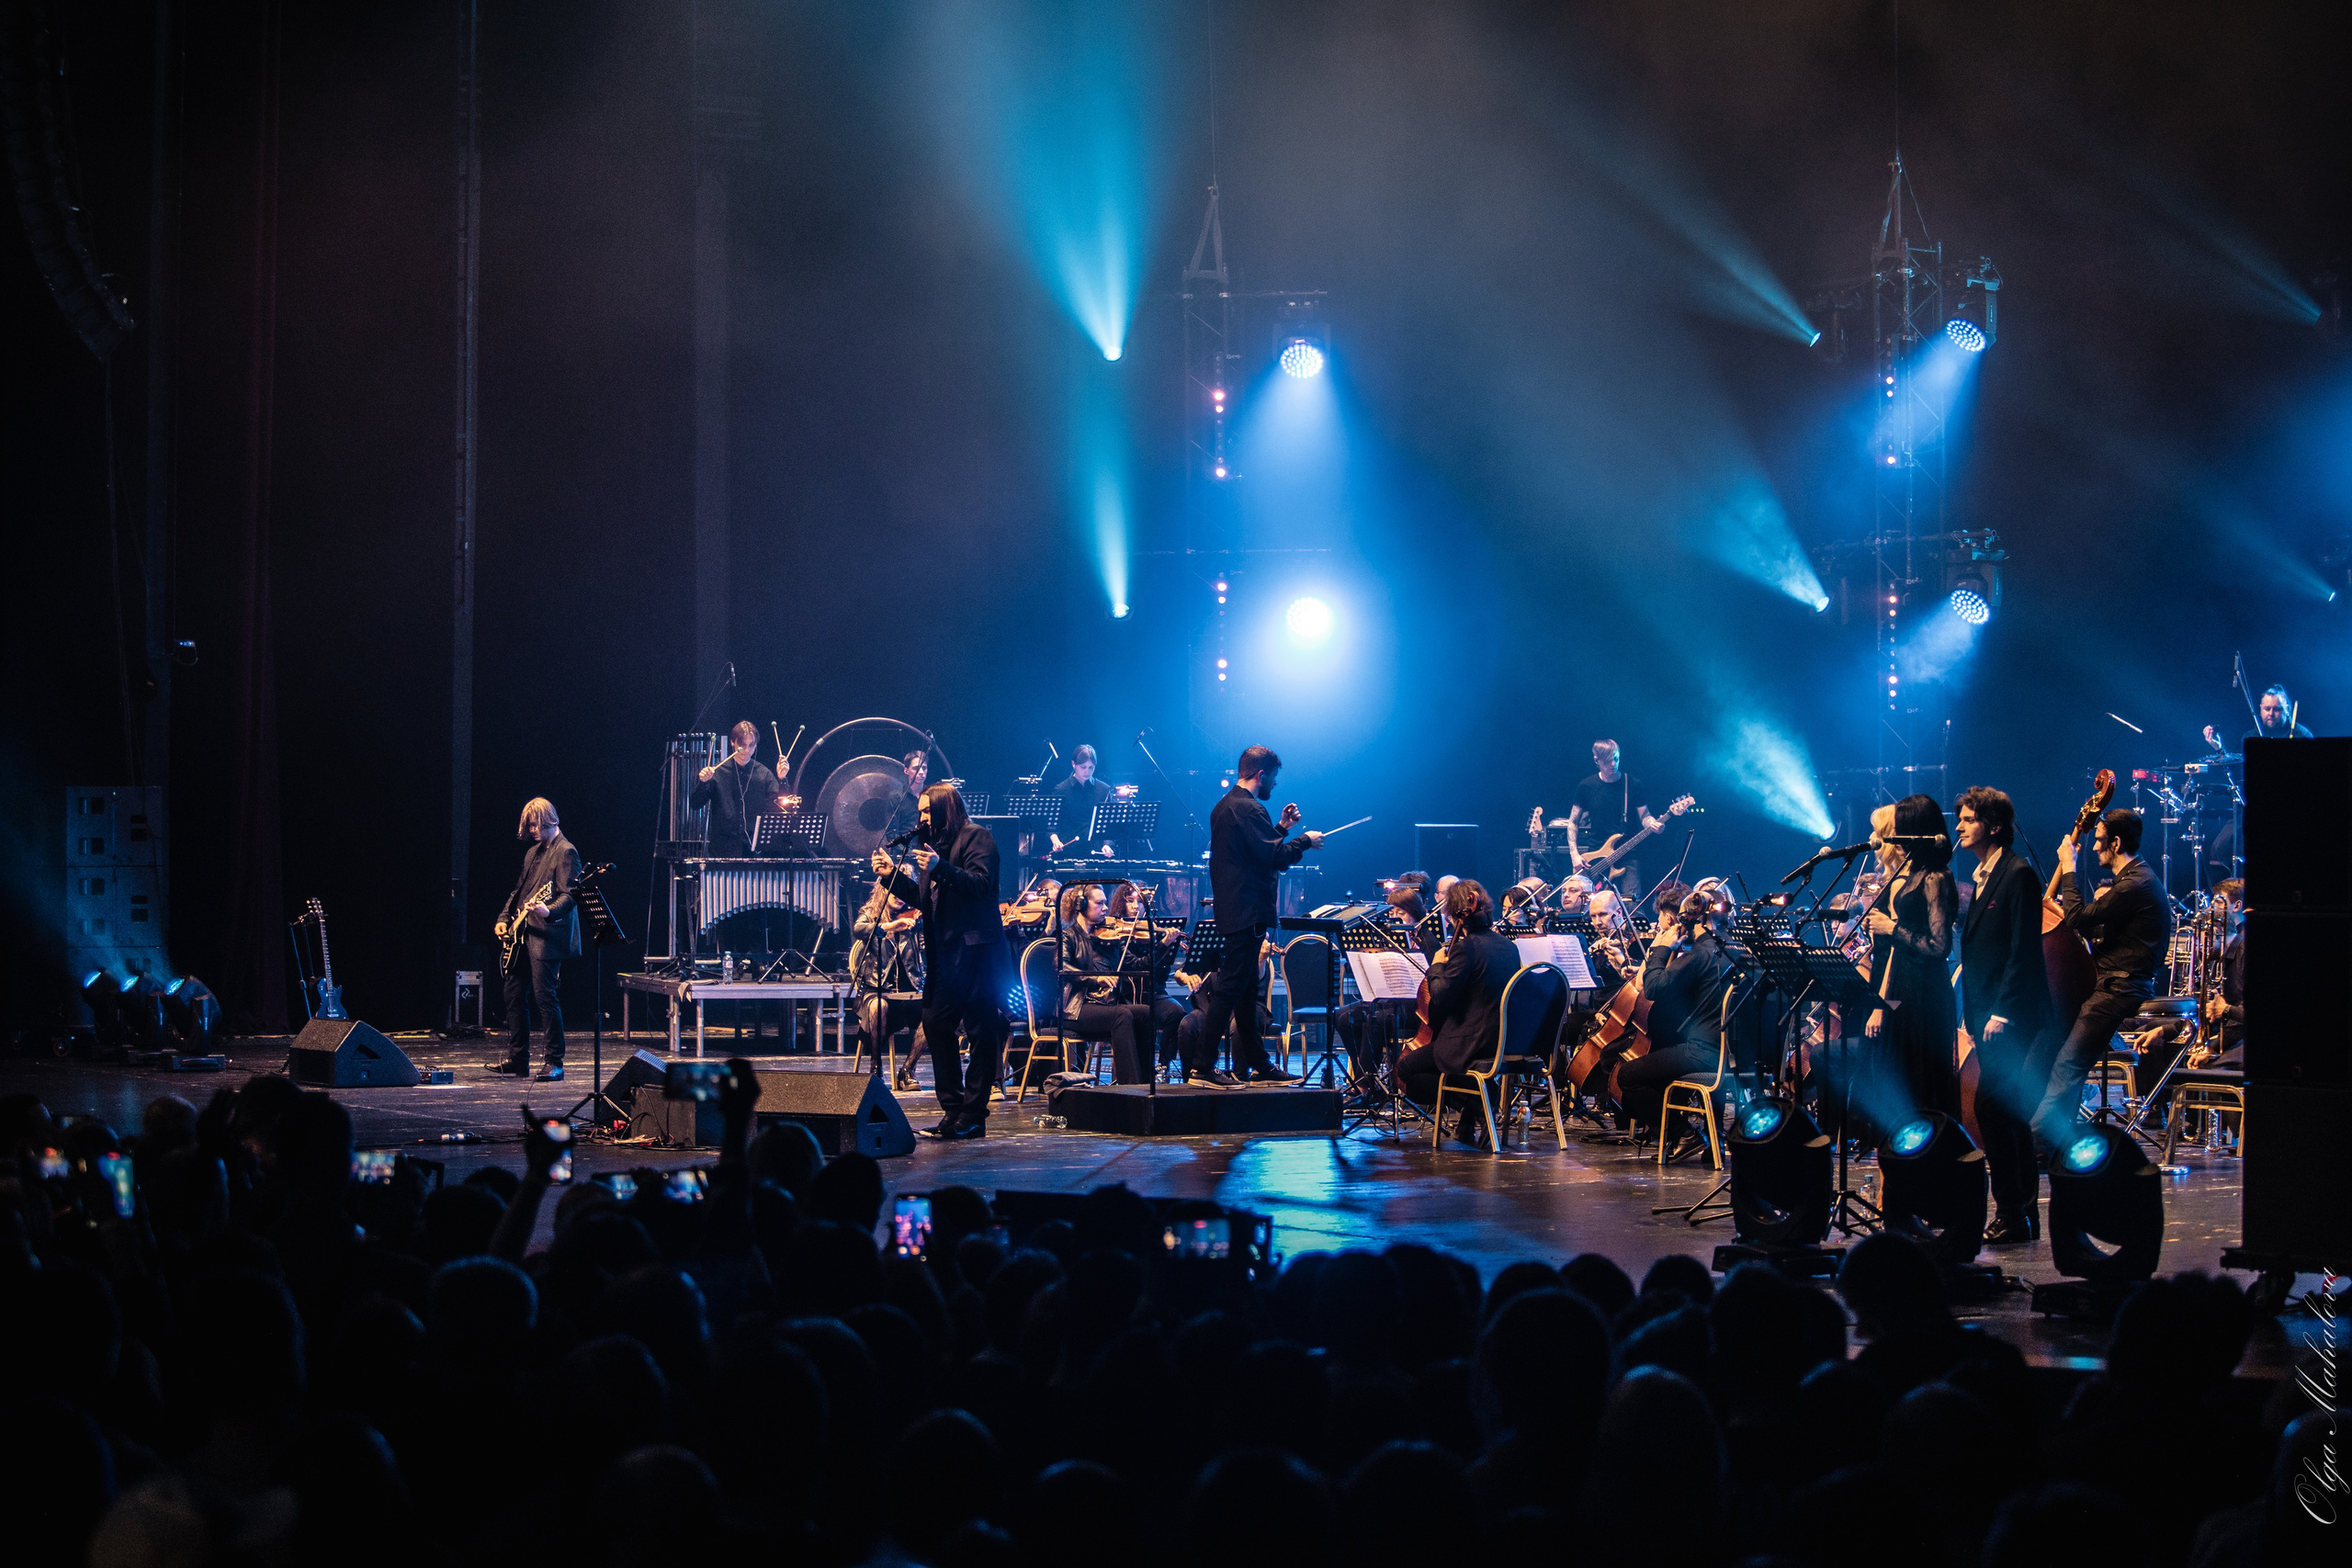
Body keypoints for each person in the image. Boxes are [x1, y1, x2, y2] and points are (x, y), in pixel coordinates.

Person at [869, 785, 1014, 1139]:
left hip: (977, 956)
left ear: (944, 809)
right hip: (944, 957)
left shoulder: (978, 839)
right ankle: (953, 1107)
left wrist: (940, 867)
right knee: (935, 1024)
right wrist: (891, 876)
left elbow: (981, 886)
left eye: (926, 811)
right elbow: (923, 898)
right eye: (919, 813)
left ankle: (974, 1113)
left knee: (982, 1031)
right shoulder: (928, 849)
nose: (921, 819)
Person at [2032, 807, 2171, 1147]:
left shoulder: (2135, 884)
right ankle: (2051, 1136)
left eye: (2099, 841)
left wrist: (2068, 866)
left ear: (2117, 842)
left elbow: (2078, 917)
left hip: (2121, 986)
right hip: (2112, 981)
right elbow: (2089, 924)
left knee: (2069, 1063)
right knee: (2059, 1052)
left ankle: (2034, 1141)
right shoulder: (2134, 881)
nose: (2094, 847)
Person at [1954, 786, 2053, 1245]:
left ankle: (2014, 1210)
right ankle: (2020, 1214)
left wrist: (2003, 1013)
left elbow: (2022, 951)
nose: (1959, 826)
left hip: (2009, 1017)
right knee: (2006, 1113)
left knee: (1993, 1107)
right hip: (1985, 1015)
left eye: (1968, 819)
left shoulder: (2017, 875)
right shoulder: (1982, 874)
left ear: (1993, 826)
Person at [1194, 746, 1322, 1088]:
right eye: (1274, 777)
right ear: (1261, 775)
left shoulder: (1226, 806)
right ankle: (1202, 1066)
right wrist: (1305, 841)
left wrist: (1281, 826)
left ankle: (1260, 1065)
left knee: (1246, 990)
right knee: (1233, 987)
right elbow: (1275, 858)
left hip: (1235, 909)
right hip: (1248, 911)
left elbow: (1256, 851)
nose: (1275, 785)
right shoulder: (1250, 809)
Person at [1393, 880, 1521, 1144]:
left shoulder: (1466, 948)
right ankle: (1473, 1112)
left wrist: (1437, 966)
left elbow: (1439, 998)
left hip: (1469, 1043)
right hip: (1501, 1040)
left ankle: (1478, 1101)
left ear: (1455, 914)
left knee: (1405, 1071)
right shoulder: (1509, 947)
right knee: (1431, 1067)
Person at [1859, 795, 1961, 1122]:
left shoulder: (1935, 878)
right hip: (1903, 985)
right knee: (1899, 1082)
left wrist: (1892, 927)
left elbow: (1939, 946)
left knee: (1921, 1084)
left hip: (1924, 994)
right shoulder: (1910, 872)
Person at [1613, 889, 1735, 1152]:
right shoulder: (1737, 949)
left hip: (1704, 1052)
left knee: (1628, 1076)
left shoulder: (1700, 954)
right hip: (1737, 1055)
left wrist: (1659, 948)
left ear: (1692, 919)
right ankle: (1703, 1135)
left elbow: (1654, 988)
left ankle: (1683, 1132)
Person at [1056, 886, 1179, 1084]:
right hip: (1076, 1009)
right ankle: (1129, 1087)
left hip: (1105, 1006)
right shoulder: (1069, 936)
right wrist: (1095, 979)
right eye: (1099, 903)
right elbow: (1061, 967)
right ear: (1082, 905)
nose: (1105, 908)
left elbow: (1137, 966)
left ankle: (1146, 1083)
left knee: (1146, 1012)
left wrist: (1164, 944)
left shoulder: (1110, 938)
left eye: (1105, 902)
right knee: (1122, 1015)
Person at [494, 797, 581, 1081]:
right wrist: (504, 918)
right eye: (529, 825)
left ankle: (555, 1061)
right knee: (514, 994)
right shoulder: (532, 853)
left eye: (536, 824)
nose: (532, 830)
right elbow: (518, 890)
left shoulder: (566, 852)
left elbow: (569, 896)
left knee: (545, 997)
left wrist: (548, 911)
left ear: (549, 821)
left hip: (547, 936)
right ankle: (519, 1058)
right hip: (522, 932)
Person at [849, 878, 927, 1092]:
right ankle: (875, 1068)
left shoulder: (916, 915)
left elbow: (926, 950)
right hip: (877, 989)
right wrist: (888, 927)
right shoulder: (871, 912)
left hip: (910, 992)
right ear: (884, 890)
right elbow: (858, 929)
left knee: (935, 1011)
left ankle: (907, 1070)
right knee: (878, 1007)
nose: (901, 897)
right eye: (896, 891)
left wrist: (925, 925)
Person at [1568, 739, 1662, 899]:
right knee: (1594, 904)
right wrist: (1574, 854)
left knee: (1631, 903)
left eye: (1616, 758)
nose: (1613, 764)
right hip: (1596, 858)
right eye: (1608, 760)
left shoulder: (1632, 784)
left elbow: (1645, 816)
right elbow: (1573, 821)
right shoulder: (1586, 786)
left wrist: (1652, 823)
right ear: (1597, 760)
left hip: (1628, 853)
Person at [691, 721, 790, 857]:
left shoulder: (764, 774)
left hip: (754, 852)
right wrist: (703, 782)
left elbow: (780, 808)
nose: (747, 750)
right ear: (733, 743)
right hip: (722, 850)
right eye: (742, 745)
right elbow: (695, 804)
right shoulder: (717, 772)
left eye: (751, 745)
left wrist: (782, 779)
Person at [2202, 879, 2245, 1064]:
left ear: (2237, 906)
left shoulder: (2241, 946)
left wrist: (2224, 1010)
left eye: (2218, 903)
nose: (2212, 909)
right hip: (2226, 1025)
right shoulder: (2223, 948)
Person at [2204, 684, 2313, 751]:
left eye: (2276, 709)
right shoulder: (2250, 737)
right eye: (2267, 708)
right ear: (2260, 709)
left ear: (2287, 710)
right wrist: (2218, 748)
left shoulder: (2302, 735)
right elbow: (2235, 772)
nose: (2271, 713)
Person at [1048, 744, 1114, 854]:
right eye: (1083, 767)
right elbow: (1051, 826)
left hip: (1096, 853)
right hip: (1068, 851)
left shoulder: (1104, 790)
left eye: (1091, 768)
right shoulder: (1060, 790)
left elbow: (1108, 825)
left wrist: (1106, 845)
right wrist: (1056, 841)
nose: (1087, 772)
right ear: (1073, 764)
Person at [882, 750, 931, 844]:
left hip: (927, 849)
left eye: (924, 768)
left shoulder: (932, 796)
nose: (921, 772)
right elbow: (891, 832)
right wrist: (906, 852)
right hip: (903, 851)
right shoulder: (895, 797)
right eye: (916, 768)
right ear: (906, 771)